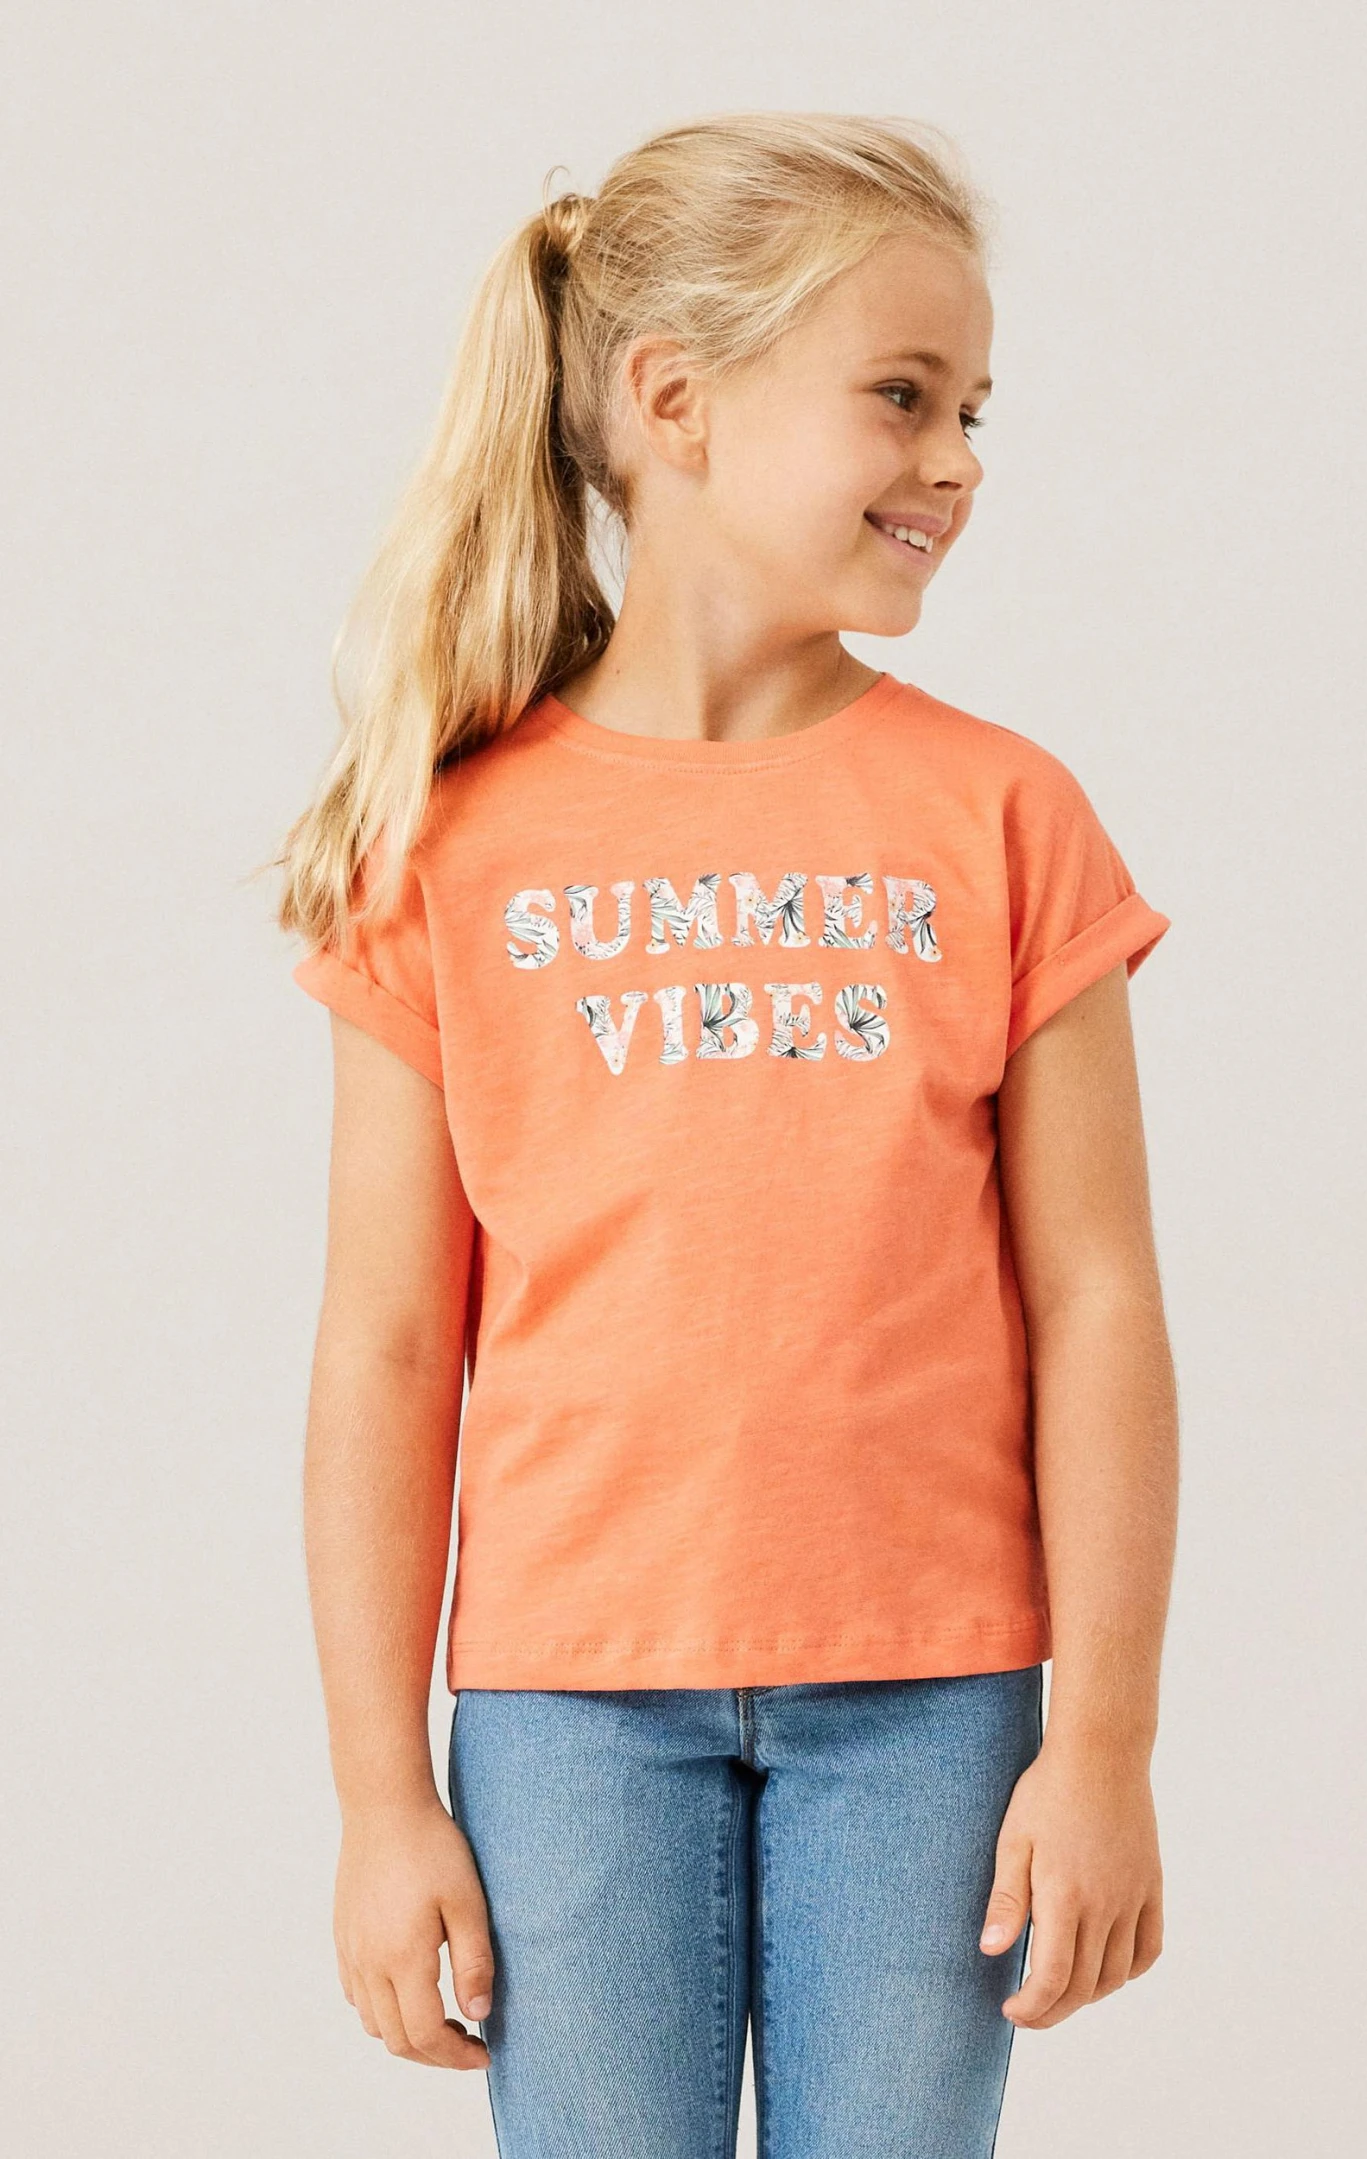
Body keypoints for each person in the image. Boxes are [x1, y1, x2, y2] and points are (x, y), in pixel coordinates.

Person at [272, 109, 1178, 2158]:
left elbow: (1099, 1299)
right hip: (569, 1707)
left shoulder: (1006, 816)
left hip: (934, 1702)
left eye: (971, 409)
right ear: (675, 401)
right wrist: (379, 1793)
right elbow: (388, 1346)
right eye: (902, 396)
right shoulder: (451, 847)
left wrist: (1105, 1738)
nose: (958, 460)